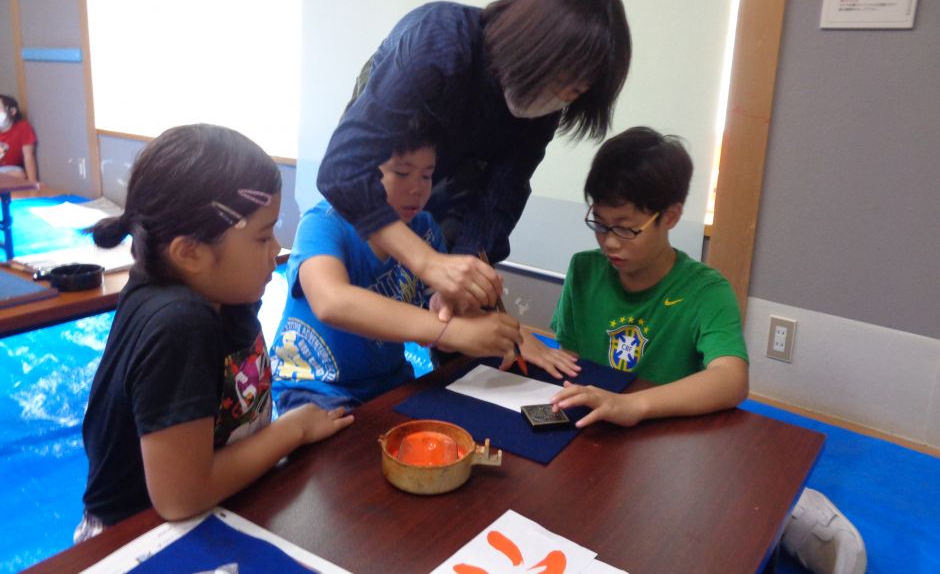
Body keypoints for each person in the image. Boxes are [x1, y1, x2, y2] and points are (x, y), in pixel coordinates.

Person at [548, 126, 866, 574]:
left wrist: (633, 405)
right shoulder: (584, 271)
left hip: (675, 445)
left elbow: (731, 379)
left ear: (671, 216)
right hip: (602, 442)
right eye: (599, 223)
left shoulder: (705, 290)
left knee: (707, 539)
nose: (609, 241)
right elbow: (570, 362)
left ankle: (791, 504)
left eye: (626, 227)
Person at [76, 124, 354, 542]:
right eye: (262, 236)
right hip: (137, 540)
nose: (276, 250)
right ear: (190, 253)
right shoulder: (178, 324)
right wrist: (293, 429)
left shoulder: (225, 293)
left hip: (216, 508)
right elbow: (180, 496)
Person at [317, 0, 631, 320]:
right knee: (364, 265)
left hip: (451, 185)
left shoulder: (541, 113)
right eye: (561, 81)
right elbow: (342, 171)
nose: (559, 99)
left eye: (574, 93)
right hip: (373, 178)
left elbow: (501, 196)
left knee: (451, 296)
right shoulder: (438, 44)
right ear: (536, 48)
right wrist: (428, 263)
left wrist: (461, 278)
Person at [271, 126, 579, 414]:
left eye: (427, 175)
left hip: (389, 382)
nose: (417, 189)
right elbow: (332, 302)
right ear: (360, 175)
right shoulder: (324, 223)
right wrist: (451, 330)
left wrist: (509, 331)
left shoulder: (424, 229)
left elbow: (440, 311)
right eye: (402, 173)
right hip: (315, 390)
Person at [0, 94, 38, 183]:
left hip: (12, 169)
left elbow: (28, 156)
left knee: (19, 175)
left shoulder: (22, 127)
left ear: (12, 111)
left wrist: (33, 182)